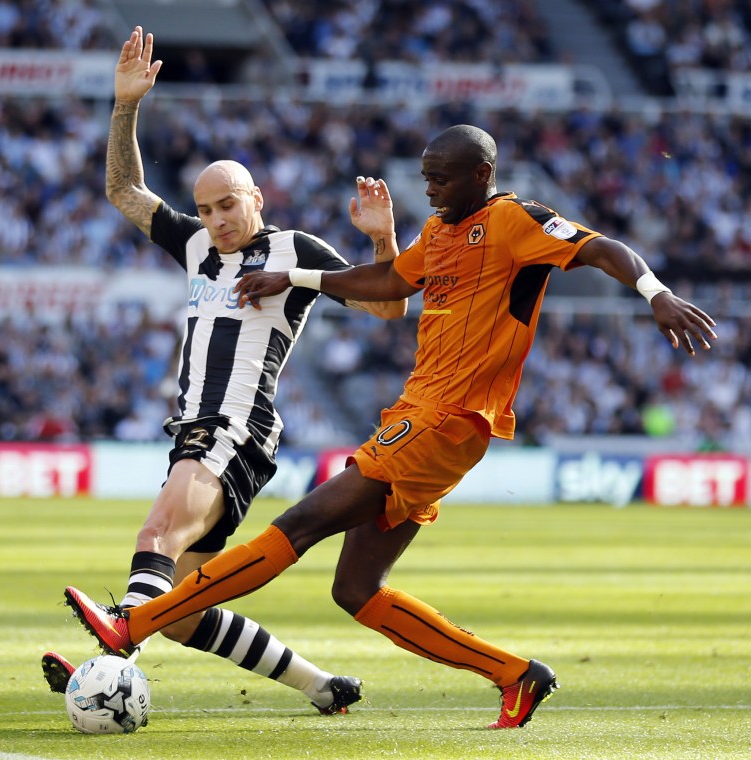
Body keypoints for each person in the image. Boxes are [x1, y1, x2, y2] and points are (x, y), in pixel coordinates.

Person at [63, 123, 718, 728]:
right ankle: (515, 675)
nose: (428, 187)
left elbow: (601, 246)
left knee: (300, 524)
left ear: (481, 174)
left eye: (441, 177)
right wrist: (292, 276)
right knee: (354, 588)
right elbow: (387, 280)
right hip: (419, 414)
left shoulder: (516, 220)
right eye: (426, 175)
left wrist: (654, 292)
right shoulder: (436, 233)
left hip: (447, 419)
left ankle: (135, 623)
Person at [44, 26, 407, 716]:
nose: (215, 220)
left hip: (235, 427)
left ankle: (116, 649)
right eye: (206, 209)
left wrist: (382, 239)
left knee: (155, 535)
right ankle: (320, 685)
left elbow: (389, 307)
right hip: (197, 432)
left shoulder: (292, 250)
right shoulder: (195, 248)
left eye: (227, 205)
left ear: (257, 199)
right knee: (182, 610)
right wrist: (125, 107)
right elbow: (124, 190)